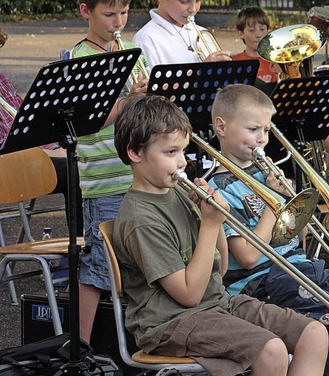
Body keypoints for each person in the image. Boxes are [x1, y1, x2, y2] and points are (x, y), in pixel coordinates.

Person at [111, 94, 328, 376]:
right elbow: (189, 295)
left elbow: (221, 268)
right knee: (271, 350)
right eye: (170, 153)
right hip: (171, 322)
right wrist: (210, 225)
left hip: (217, 303)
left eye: (183, 152)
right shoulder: (141, 219)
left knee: (314, 333)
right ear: (135, 153)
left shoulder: (177, 193)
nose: (182, 163)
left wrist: (216, 217)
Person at [207, 84, 329, 376]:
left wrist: (292, 202)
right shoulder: (218, 189)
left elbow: (295, 240)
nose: (262, 139)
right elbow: (248, 257)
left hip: (302, 268)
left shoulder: (266, 174)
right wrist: (274, 204)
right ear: (221, 127)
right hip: (262, 282)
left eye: (266, 130)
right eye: (253, 129)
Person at [71, 0, 149, 344]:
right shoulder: (80, 59)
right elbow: (84, 124)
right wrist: (127, 101)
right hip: (103, 180)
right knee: (97, 267)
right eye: (108, 14)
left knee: (139, 260)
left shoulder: (133, 50)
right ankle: (81, 346)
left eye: (124, 13)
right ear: (85, 10)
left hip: (137, 174)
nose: (118, 22)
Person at [0, 28, 83, 235]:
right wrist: (48, 153)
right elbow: (7, 147)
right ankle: (85, 250)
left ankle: (92, 247)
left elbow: (27, 126)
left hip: (28, 157)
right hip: (9, 166)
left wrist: (56, 146)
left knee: (86, 162)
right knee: (73, 170)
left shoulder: (2, 82)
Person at [133, 0, 232, 69]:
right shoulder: (146, 39)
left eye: (197, 0)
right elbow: (152, 95)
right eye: (184, 1)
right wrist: (201, 72)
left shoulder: (203, 33)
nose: (193, 9)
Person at [232, 7, 278, 85]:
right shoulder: (233, 62)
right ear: (241, 34)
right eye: (252, 30)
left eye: (262, 29)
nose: (258, 35)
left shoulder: (275, 61)